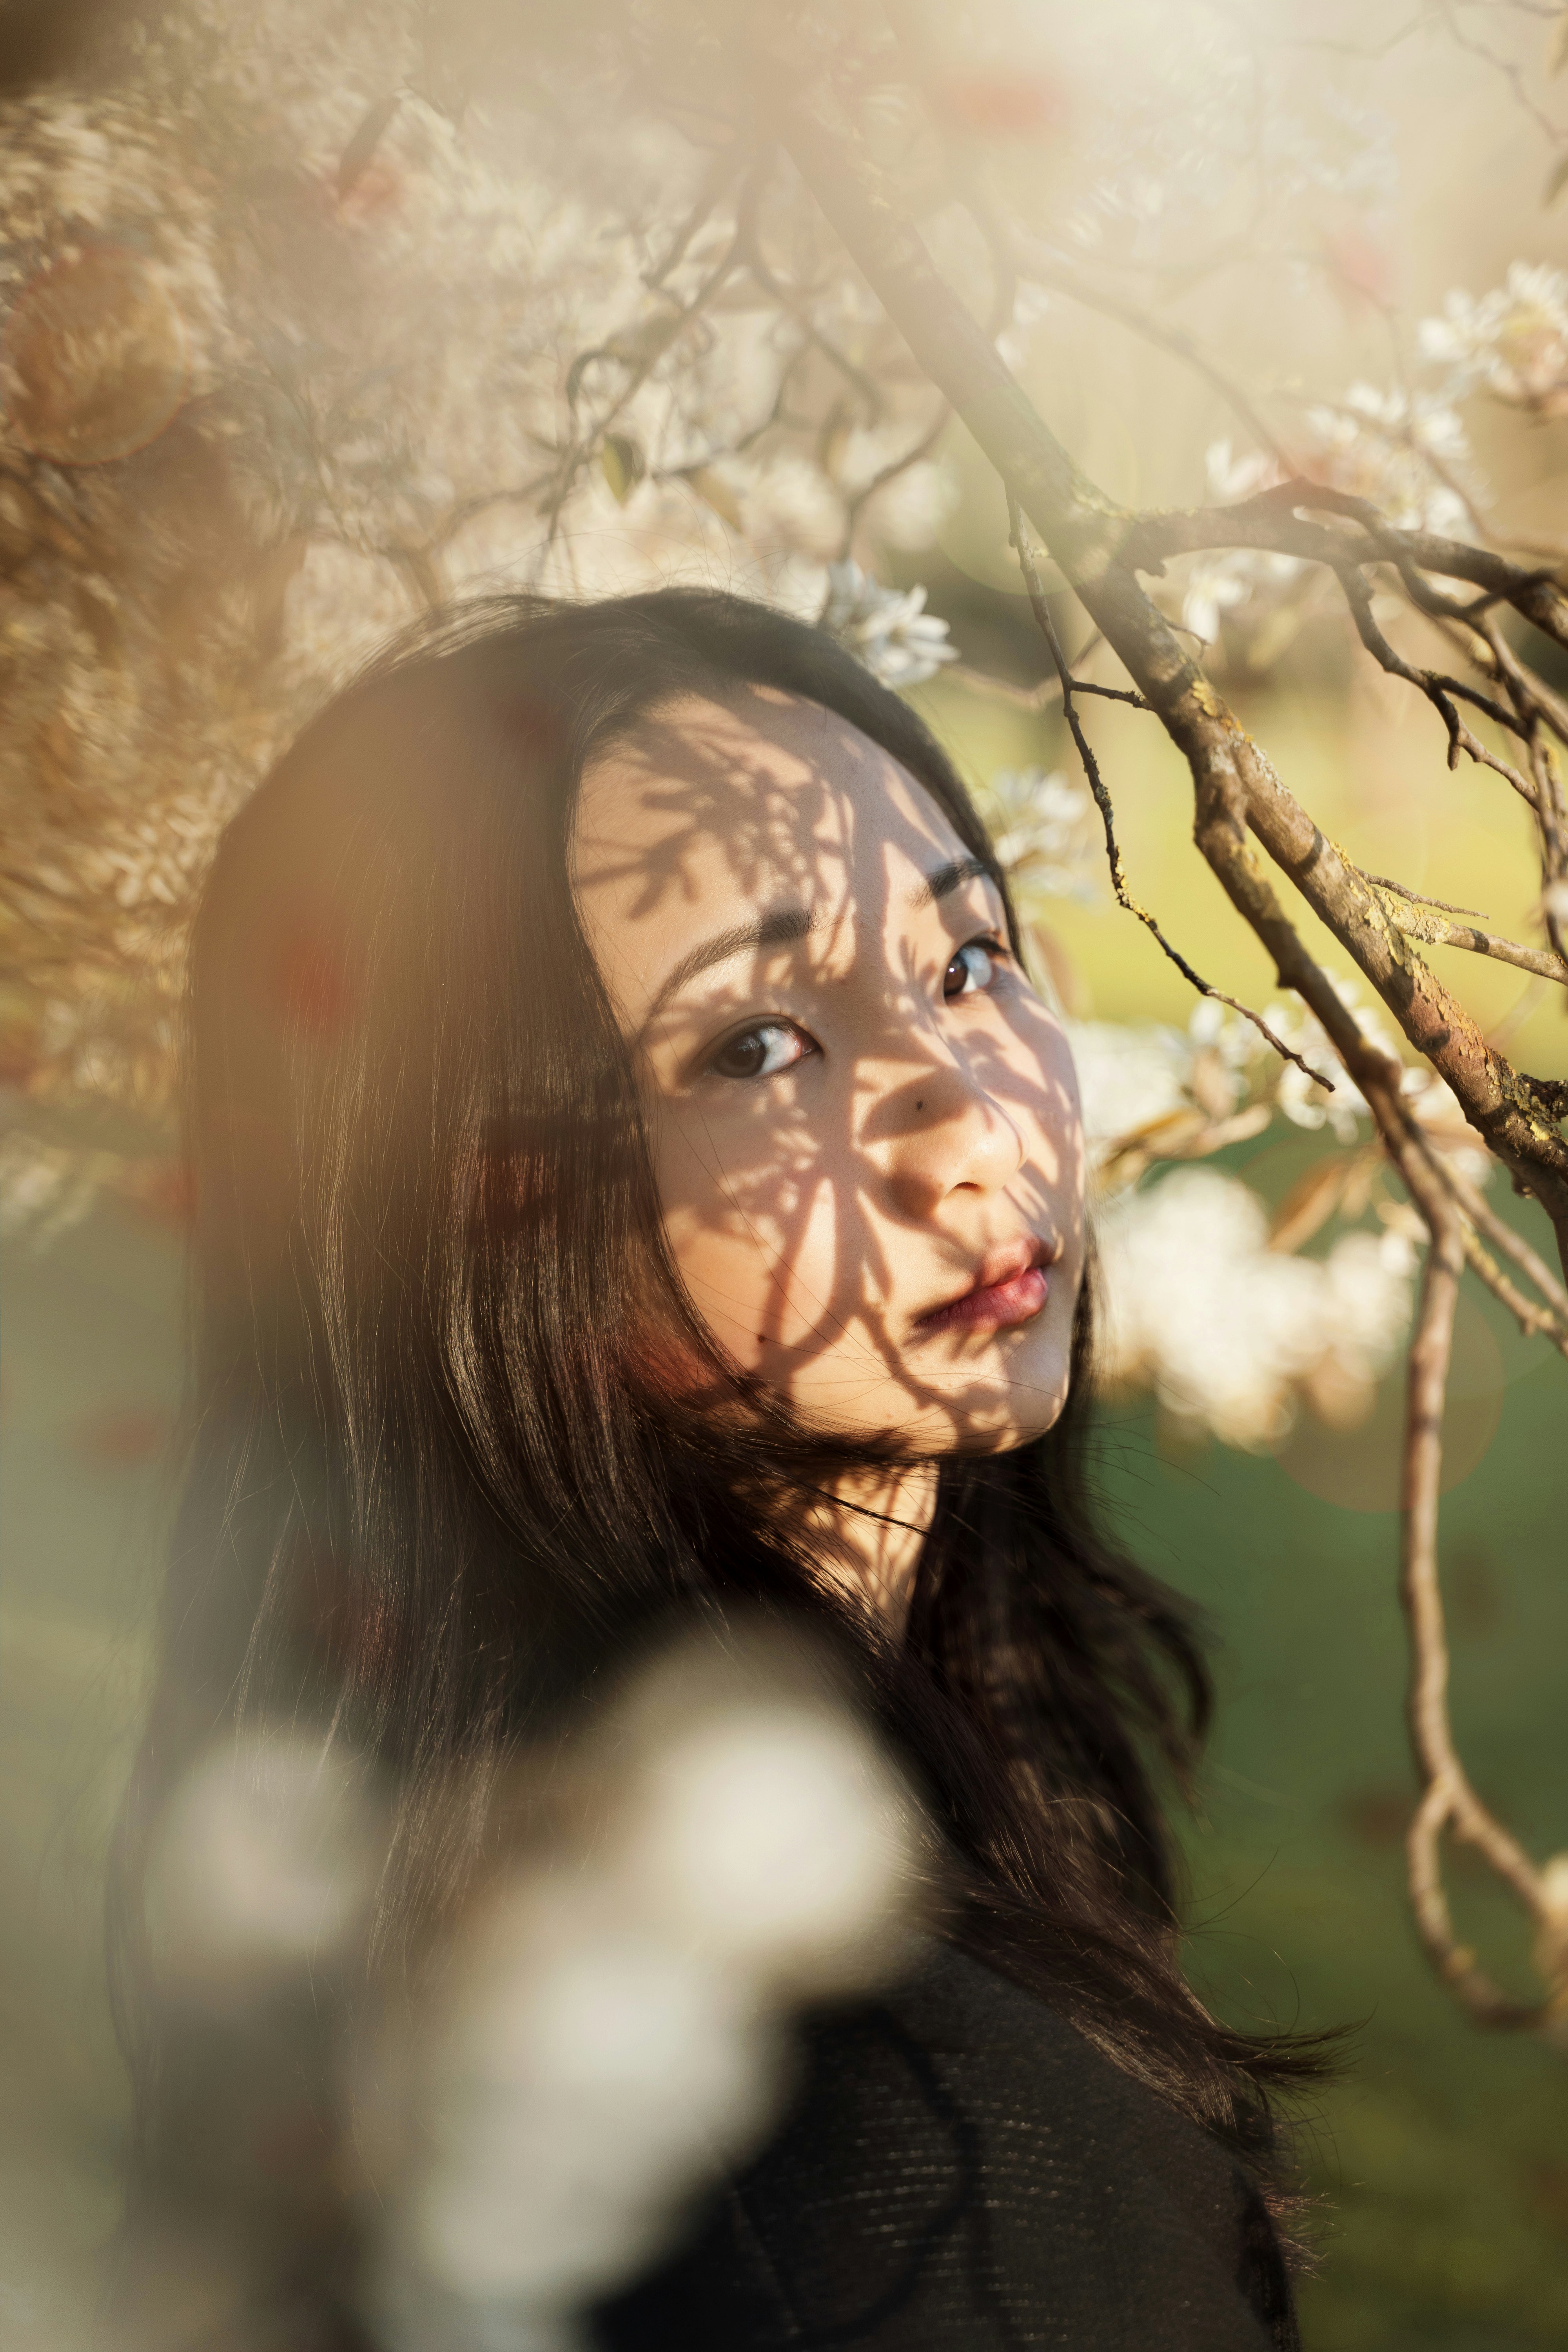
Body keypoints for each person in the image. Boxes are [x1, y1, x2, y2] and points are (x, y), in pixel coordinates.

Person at [113, 589, 1322, 2350]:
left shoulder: (368, 1898)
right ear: (467, 1214)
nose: (965, 1115)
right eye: (756, 1045)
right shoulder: (909, 2145)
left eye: (969, 960)